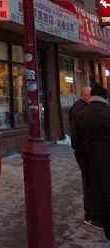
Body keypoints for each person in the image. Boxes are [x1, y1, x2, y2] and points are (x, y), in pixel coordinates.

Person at [77, 83, 110, 238]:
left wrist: (82, 158)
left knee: (93, 188)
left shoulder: (83, 114)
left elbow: (76, 141)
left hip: (90, 158)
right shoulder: (108, 112)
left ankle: (96, 217)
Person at [69, 86, 91, 221]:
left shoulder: (81, 107)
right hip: (83, 149)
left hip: (83, 148)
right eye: (90, 95)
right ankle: (91, 212)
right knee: (88, 179)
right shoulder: (80, 109)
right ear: (84, 96)